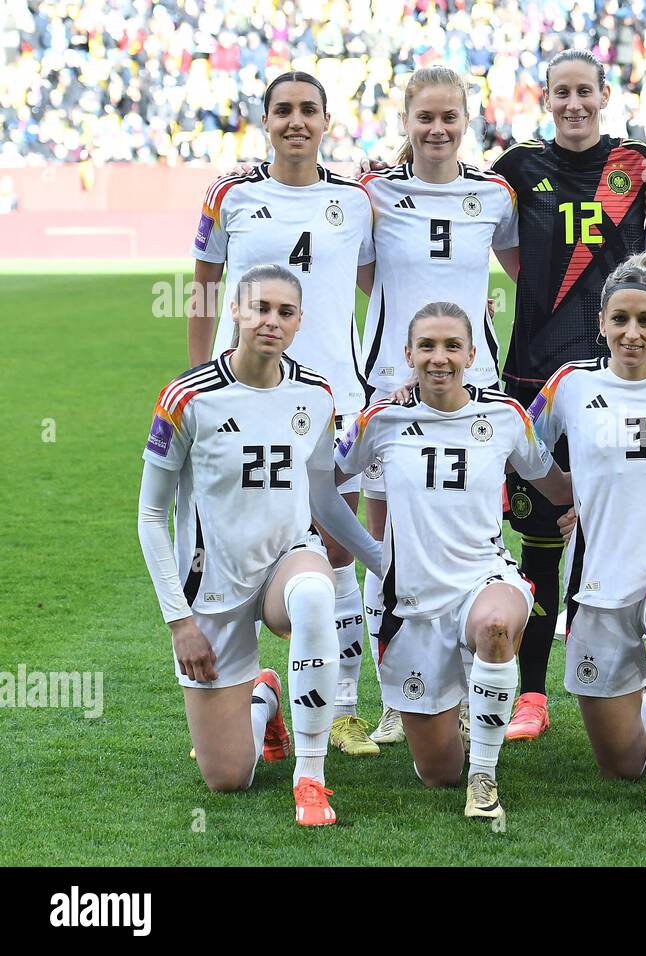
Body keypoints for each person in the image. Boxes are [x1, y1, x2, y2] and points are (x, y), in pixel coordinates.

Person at [139, 264, 384, 826]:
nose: (271, 321)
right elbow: (152, 514)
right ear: (235, 311)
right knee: (228, 778)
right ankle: (263, 697)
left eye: (285, 312)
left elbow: (323, 498)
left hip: (286, 564)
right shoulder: (187, 398)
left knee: (317, 594)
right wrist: (180, 622)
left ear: (299, 322)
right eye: (260, 309)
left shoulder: (317, 395)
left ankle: (311, 778)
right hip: (212, 591)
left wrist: (382, 562)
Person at [188, 71, 379, 757]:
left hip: (336, 398)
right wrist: (195, 374)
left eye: (308, 110)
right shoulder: (230, 194)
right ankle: (252, 692)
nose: (296, 121)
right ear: (265, 120)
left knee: (334, 551)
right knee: (230, 546)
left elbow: (376, 282)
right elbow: (205, 287)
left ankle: (346, 708)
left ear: (327, 120)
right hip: (243, 399)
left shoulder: (357, 200)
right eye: (283, 111)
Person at [489, 49, 646, 742]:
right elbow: (510, 252)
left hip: (620, 379)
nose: (574, 104)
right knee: (540, 541)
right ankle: (531, 693)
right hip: (538, 376)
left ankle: (608, 678)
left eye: (584, 92)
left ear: (603, 94)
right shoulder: (518, 168)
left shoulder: (634, 164)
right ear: (546, 97)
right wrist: (548, 291)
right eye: (561, 93)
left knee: (608, 534)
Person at [334, 302, 570, 818]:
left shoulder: (505, 416)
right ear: (409, 355)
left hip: (485, 580)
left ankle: (484, 782)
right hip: (413, 606)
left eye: (451, 346)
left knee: (494, 626)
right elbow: (323, 487)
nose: (439, 358)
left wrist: (603, 504)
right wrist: (376, 558)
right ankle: (461, 714)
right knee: (438, 773)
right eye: (427, 346)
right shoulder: (381, 418)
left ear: (471, 353)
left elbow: (557, 486)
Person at [356, 67, 519, 745]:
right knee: (389, 536)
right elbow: (364, 274)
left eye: (450, 116)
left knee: (470, 531)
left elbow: (522, 273)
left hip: (475, 385)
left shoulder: (494, 195)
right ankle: (399, 691)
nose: (438, 128)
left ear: (467, 122)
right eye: (425, 117)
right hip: (392, 384)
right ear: (405, 121)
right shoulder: (374, 193)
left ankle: (467, 672)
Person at [535, 251, 646, 812]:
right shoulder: (568, 384)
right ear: (602, 323)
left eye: (645, 321)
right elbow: (519, 445)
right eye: (620, 320)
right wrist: (568, 494)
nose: (632, 333)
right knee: (619, 766)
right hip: (596, 582)